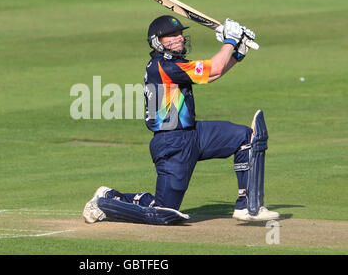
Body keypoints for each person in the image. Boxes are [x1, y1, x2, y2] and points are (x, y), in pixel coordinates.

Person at [82, 15, 280, 225]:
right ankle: (105, 201)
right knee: (164, 212)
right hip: (172, 142)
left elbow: (211, 75)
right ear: (158, 41)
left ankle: (248, 206)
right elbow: (216, 68)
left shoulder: (175, 64)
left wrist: (238, 52)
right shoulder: (165, 67)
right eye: (172, 35)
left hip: (194, 134)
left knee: (245, 137)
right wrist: (230, 41)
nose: (179, 38)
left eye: (180, 34)